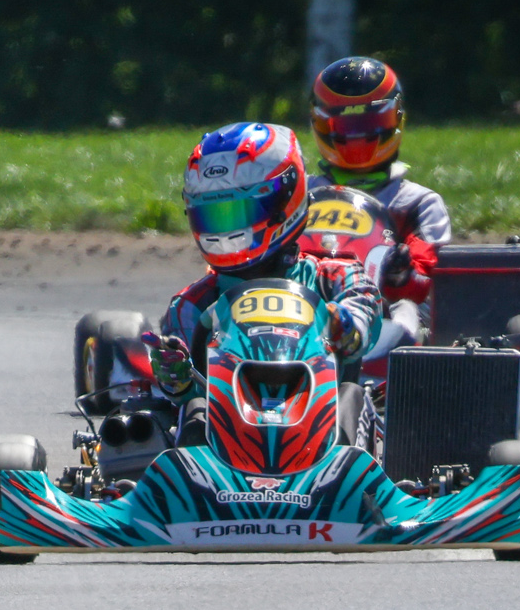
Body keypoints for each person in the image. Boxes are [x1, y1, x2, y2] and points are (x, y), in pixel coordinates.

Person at [150, 121, 383, 397]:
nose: (224, 232)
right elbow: (185, 395)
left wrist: (345, 327)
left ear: (285, 200)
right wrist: (176, 376)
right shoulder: (189, 306)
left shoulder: (336, 278)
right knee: (193, 411)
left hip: (331, 414)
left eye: (237, 213)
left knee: (352, 397)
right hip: (227, 419)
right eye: (213, 216)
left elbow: (363, 319)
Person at [308, 55, 449, 318]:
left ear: (395, 119)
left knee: (406, 310)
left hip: (384, 316)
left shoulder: (417, 203)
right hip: (301, 308)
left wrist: (400, 274)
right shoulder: (300, 194)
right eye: (344, 125)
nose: (356, 136)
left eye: (367, 124)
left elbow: (428, 285)